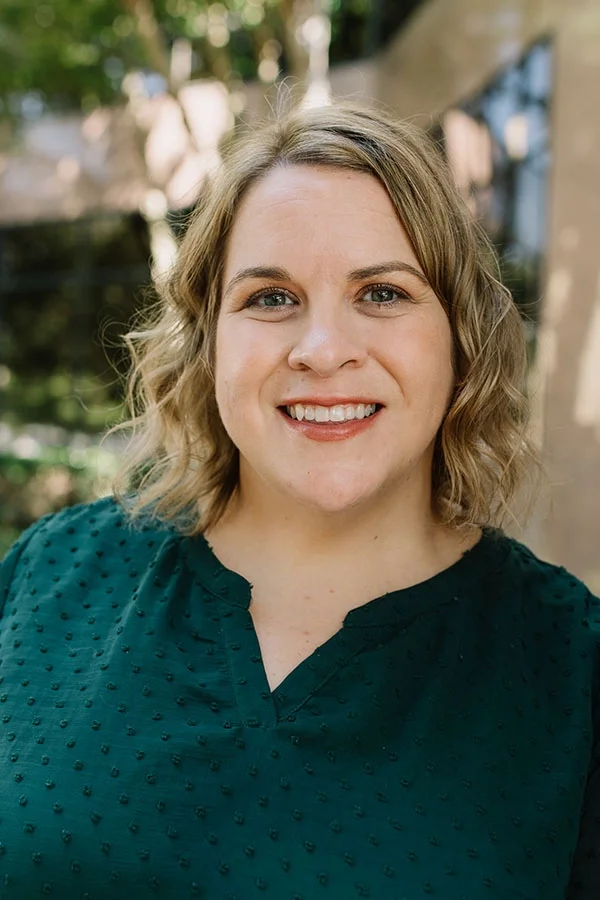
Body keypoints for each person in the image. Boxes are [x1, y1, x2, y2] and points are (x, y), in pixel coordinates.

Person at [0, 102, 598, 900]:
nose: (322, 351)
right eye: (271, 297)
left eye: (382, 293)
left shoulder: (570, 673)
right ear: (209, 340)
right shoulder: (54, 579)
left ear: (460, 336)